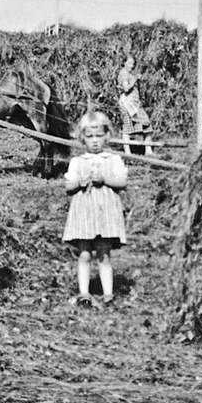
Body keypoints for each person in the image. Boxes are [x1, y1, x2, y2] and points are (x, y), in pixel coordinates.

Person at [62, 111, 129, 307]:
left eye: (99, 136)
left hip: (105, 213)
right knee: (84, 253)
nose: (95, 141)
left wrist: (106, 180)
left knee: (104, 253)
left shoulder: (113, 159)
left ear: (106, 136)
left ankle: (108, 294)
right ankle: (84, 293)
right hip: (84, 213)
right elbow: (68, 187)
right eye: (90, 137)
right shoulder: (78, 162)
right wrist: (79, 183)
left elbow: (122, 181)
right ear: (83, 138)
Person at [116, 56, 154, 156]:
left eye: (133, 64)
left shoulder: (129, 74)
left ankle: (148, 151)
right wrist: (134, 80)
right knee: (128, 128)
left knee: (147, 126)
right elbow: (126, 89)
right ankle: (128, 153)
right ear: (124, 63)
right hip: (127, 104)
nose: (132, 66)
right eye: (129, 63)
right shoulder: (123, 74)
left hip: (135, 104)